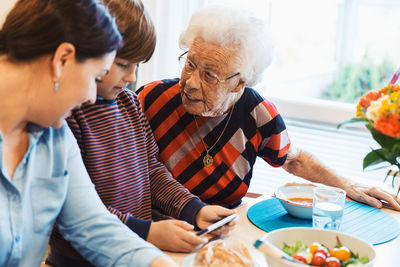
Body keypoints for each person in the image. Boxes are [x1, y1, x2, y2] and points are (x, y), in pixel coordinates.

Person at [138, 5, 400, 211]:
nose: (191, 83)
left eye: (209, 75)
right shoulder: (151, 100)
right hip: (157, 227)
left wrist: (349, 186)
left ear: (240, 83)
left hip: (225, 228)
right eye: (190, 64)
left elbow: (294, 160)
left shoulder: (257, 114)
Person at [47, 1, 235, 266]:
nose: (131, 76)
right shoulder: (64, 114)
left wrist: (194, 209)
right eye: (123, 64)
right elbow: (72, 214)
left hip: (136, 250)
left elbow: (151, 169)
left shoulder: (129, 102)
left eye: (136, 65)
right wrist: (146, 232)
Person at [0, 0, 177, 266]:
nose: (91, 97)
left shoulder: (56, 136)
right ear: (63, 60)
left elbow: (91, 223)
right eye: (96, 77)